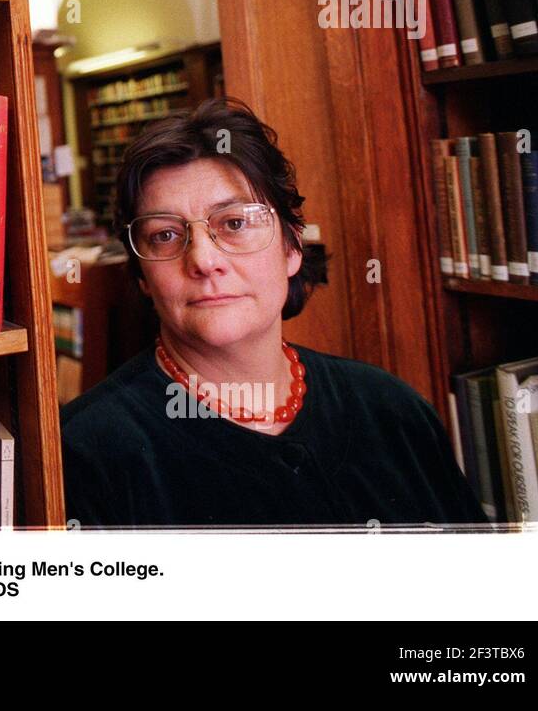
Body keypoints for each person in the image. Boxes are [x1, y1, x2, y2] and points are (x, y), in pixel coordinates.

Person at [60, 96, 486, 527]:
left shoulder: (393, 409)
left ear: (292, 247)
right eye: (166, 235)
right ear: (142, 278)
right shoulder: (83, 451)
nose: (204, 260)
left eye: (235, 223)